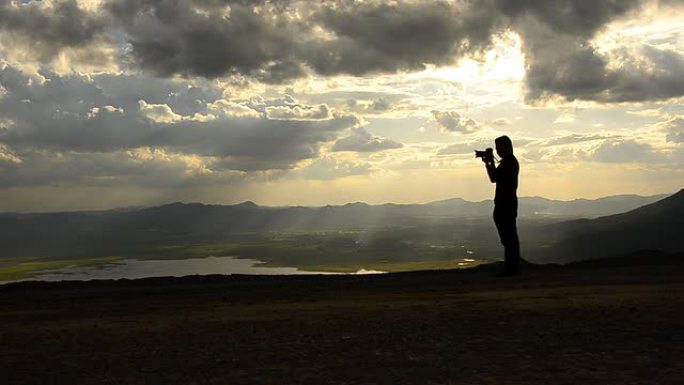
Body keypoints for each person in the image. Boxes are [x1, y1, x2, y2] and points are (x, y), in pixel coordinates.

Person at [481, 135, 521, 276]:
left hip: (506, 204)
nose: (497, 151)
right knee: (509, 237)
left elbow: (494, 178)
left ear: (506, 147)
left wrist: (489, 163)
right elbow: (495, 178)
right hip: (506, 204)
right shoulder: (509, 162)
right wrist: (489, 163)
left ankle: (512, 269)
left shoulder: (509, 163)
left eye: (499, 148)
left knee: (509, 238)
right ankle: (512, 267)